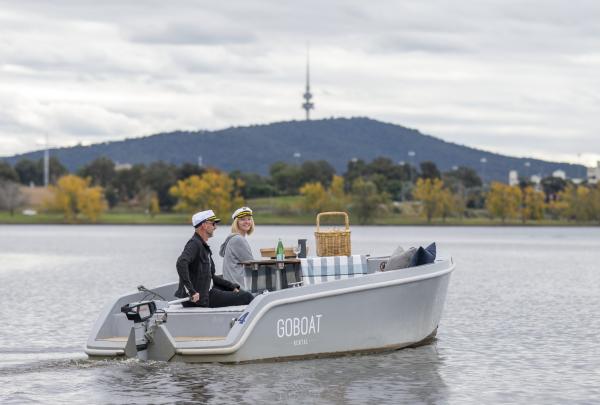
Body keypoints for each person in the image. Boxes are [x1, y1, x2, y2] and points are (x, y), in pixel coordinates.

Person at [175, 209, 254, 308]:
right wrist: (191, 291)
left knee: (240, 292)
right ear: (204, 225)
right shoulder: (194, 244)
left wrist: (232, 286)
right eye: (213, 224)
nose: (215, 227)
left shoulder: (203, 246)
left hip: (207, 293)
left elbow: (212, 277)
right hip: (201, 299)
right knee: (247, 297)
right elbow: (181, 263)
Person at [219, 206, 255, 288]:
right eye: (242, 219)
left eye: (249, 219)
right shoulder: (238, 240)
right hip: (238, 288)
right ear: (236, 222)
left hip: (231, 286)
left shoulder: (232, 238)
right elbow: (252, 264)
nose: (247, 222)